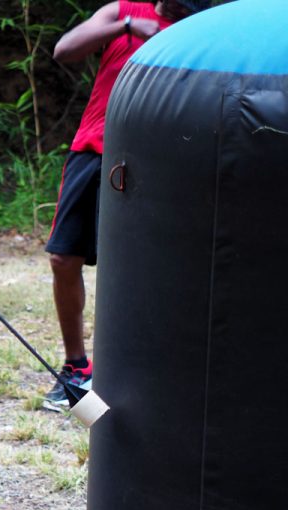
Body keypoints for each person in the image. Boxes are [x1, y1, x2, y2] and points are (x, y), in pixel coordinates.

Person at [44, 0, 209, 407]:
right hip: (93, 150)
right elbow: (65, 50)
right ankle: (76, 368)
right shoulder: (123, 11)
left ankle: (140, 374)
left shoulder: (200, 29)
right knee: (64, 258)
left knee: (142, 271)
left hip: (155, 162)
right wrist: (128, 27)